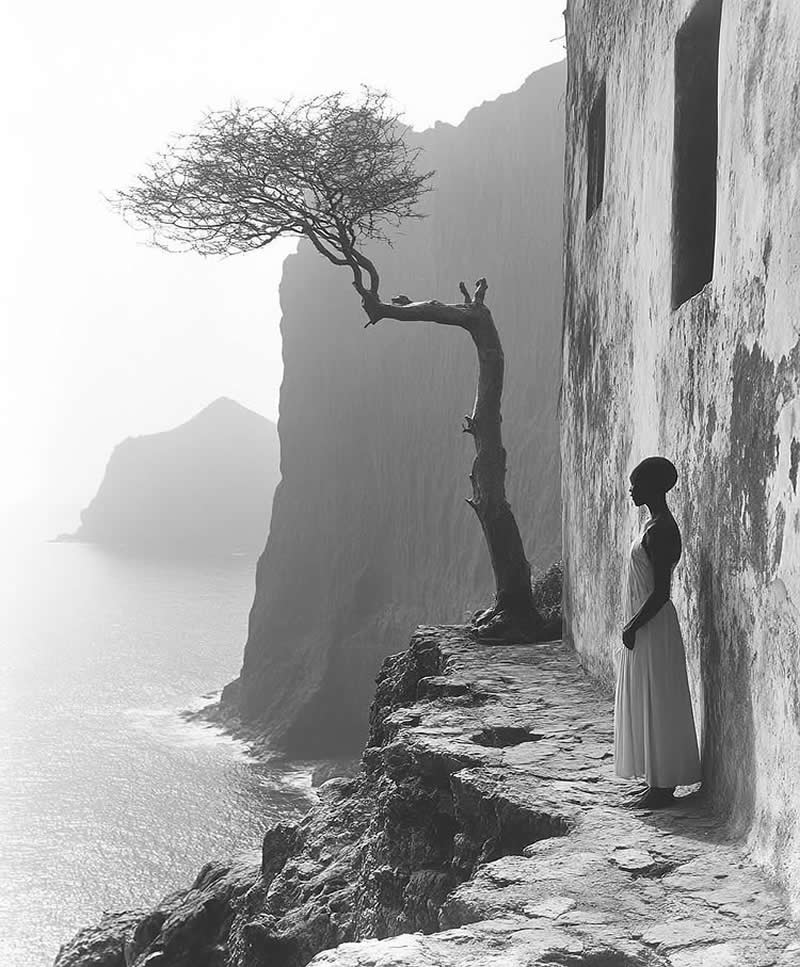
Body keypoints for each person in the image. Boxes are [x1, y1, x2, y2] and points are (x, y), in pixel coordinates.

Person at [614, 456, 702, 808]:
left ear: (651, 487)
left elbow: (661, 592)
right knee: (650, 698)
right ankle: (656, 780)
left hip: (654, 623)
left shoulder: (662, 529)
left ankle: (663, 787)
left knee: (659, 699)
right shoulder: (653, 524)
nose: (631, 489)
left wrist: (633, 624)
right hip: (648, 623)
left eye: (636, 483)